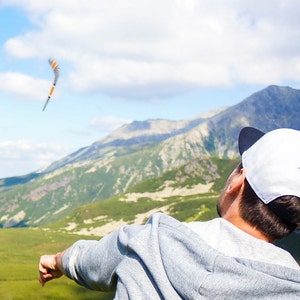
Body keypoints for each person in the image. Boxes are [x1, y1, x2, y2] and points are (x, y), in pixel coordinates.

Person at [39, 127, 300, 299]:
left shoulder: (153, 241)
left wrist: (57, 260)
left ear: (238, 180)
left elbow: (92, 261)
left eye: (238, 166)